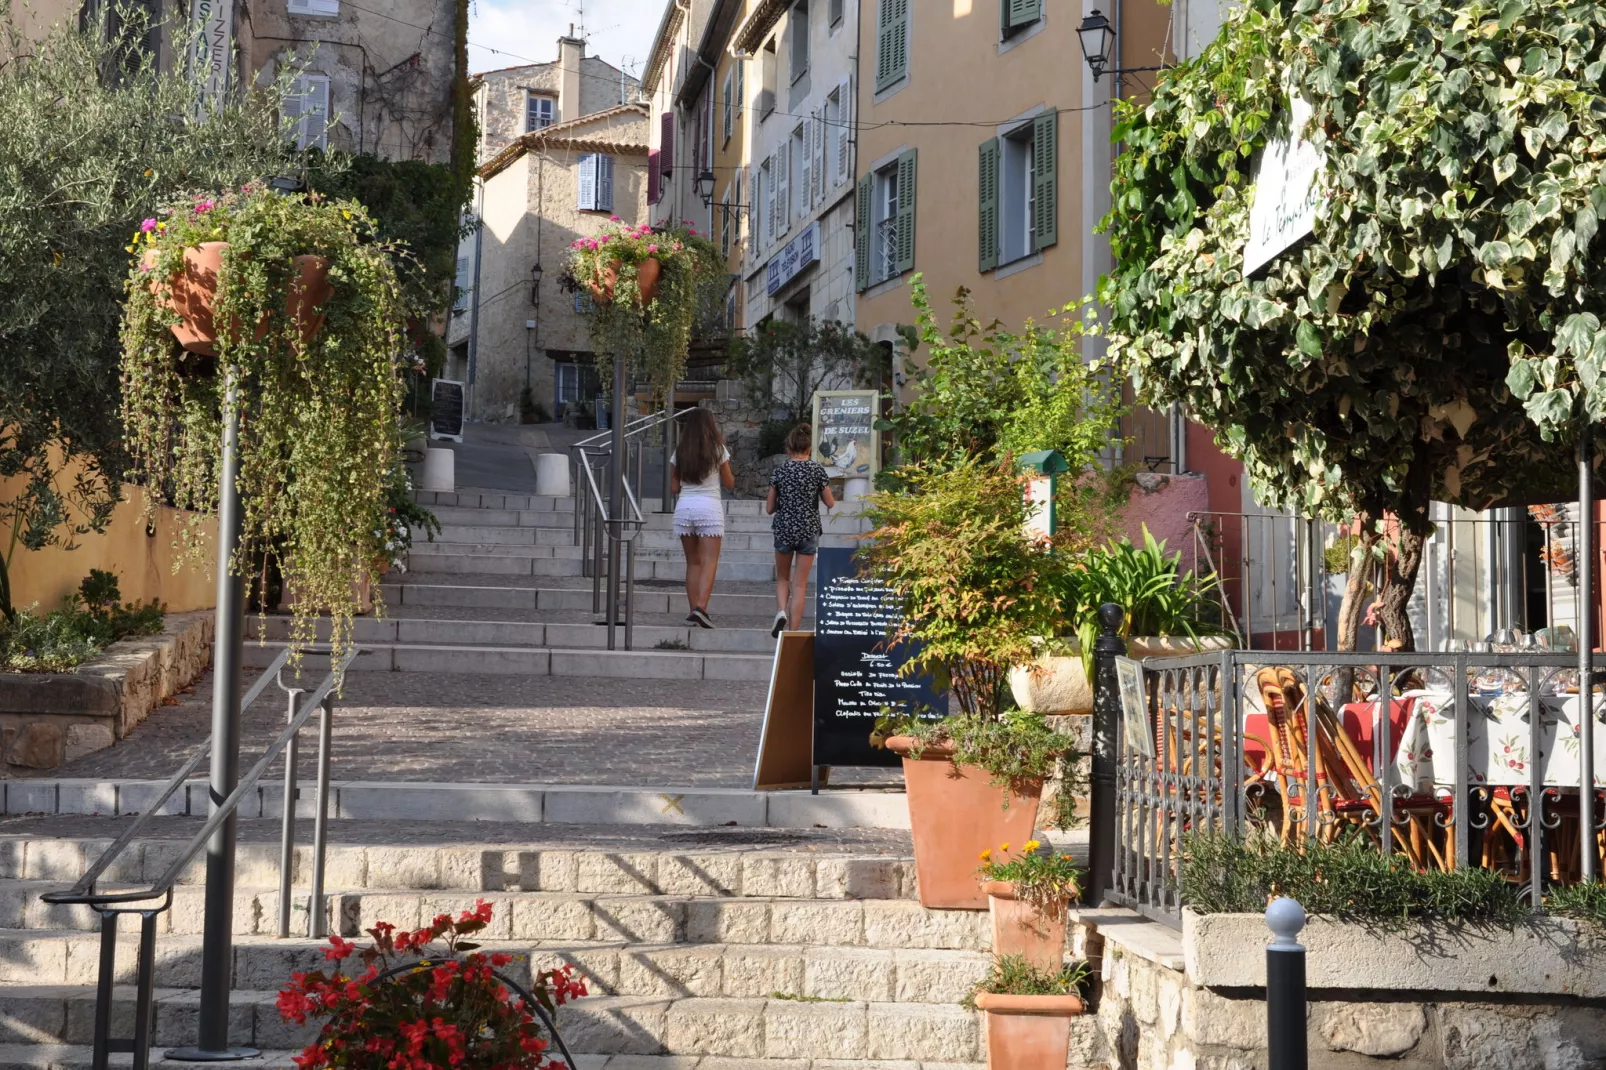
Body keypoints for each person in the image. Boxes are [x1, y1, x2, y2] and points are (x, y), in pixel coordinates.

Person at [766, 422, 835, 638]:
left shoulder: (780, 471)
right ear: (809, 449)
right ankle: (793, 632)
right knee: (800, 584)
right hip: (808, 529)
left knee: (783, 578)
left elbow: (769, 508)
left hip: (784, 528)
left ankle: (781, 612)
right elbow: (830, 502)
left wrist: (785, 503)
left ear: (789, 448)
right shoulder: (816, 470)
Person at [670, 408, 734, 628]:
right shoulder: (718, 450)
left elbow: (673, 487)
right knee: (710, 560)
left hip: (685, 508)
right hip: (709, 508)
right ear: (710, 424)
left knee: (693, 562)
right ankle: (701, 607)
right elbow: (729, 483)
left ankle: (693, 611)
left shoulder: (681, 451)